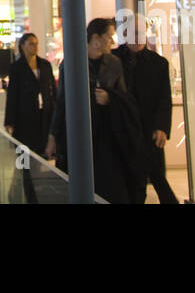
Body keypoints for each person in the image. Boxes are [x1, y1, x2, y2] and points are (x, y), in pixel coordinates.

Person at [47, 18, 146, 204]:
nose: (112, 41)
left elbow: (125, 99)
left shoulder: (114, 64)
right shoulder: (72, 63)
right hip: (80, 135)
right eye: (109, 37)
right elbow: (61, 103)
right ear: (95, 38)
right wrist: (53, 135)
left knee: (111, 188)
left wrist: (110, 98)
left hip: (108, 137)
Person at [114, 14, 179, 204]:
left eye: (142, 32)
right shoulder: (113, 60)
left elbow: (164, 99)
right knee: (132, 183)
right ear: (125, 33)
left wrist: (162, 128)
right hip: (124, 131)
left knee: (157, 177)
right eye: (135, 32)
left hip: (149, 130)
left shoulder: (158, 64)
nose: (139, 37)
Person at [4, 33, 57, 157]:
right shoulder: (16, 68)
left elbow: (52, 90)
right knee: (24, 154)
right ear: (23, 46)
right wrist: (9, 120)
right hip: (24, 117)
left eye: (36, 43)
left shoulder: (45, 65)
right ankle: (24, 175)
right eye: (31, 44)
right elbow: (12, 95)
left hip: (43, 115)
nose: (35, 47)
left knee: (41, 152)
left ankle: (37, 174)